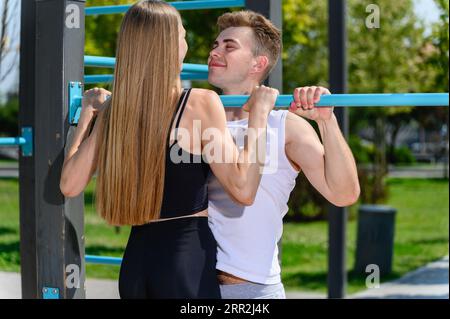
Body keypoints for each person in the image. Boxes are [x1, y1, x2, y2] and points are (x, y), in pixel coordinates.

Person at [59, 1, 279, 299]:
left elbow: (69, 184)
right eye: (183, 35)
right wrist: (260, 116)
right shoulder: (201, 103)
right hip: (184, 264)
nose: (187, 44)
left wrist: (88, 114)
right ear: (169, 45)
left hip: (135, 265)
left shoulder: (116, 112)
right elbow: (243, 188)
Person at [206, 11, 361, 299]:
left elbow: (344, 194)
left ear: (258, 63)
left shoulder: (285, 126)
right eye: (215, 45)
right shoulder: (196, 118)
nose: (214, 51)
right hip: (190, 284)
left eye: (229, 46)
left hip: (251, 290)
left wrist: (326, 121)